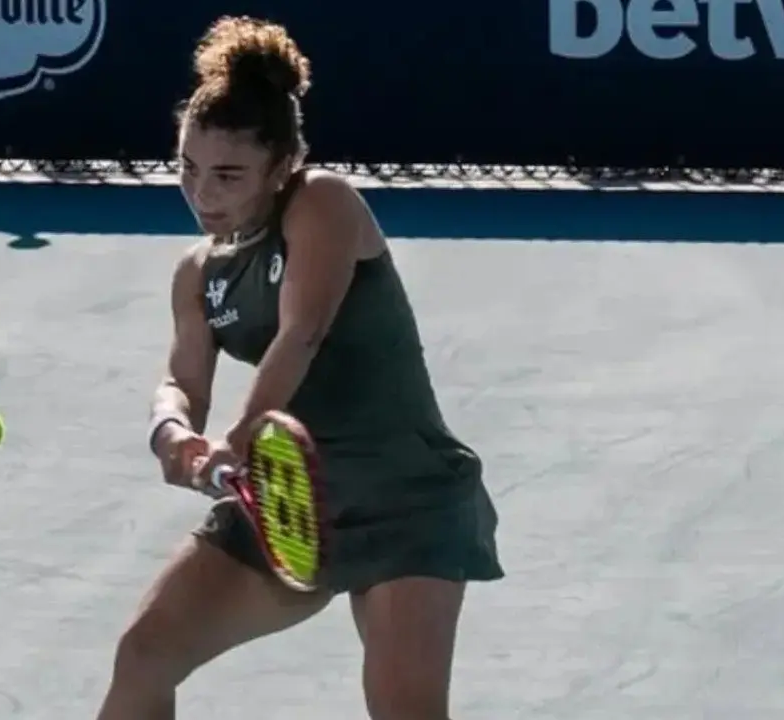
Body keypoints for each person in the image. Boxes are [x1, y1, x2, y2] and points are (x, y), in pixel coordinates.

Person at [95, 15, 504, 720]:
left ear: (281, 165)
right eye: (188, 168)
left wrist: (239, 436)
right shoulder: (197, 273)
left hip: (406, 501)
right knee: (144, 655)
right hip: (285, 504)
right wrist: (172, 433)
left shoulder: (323, 201)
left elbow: (303, 331)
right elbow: (182, 383)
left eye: (228, 175)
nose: (202, 193)